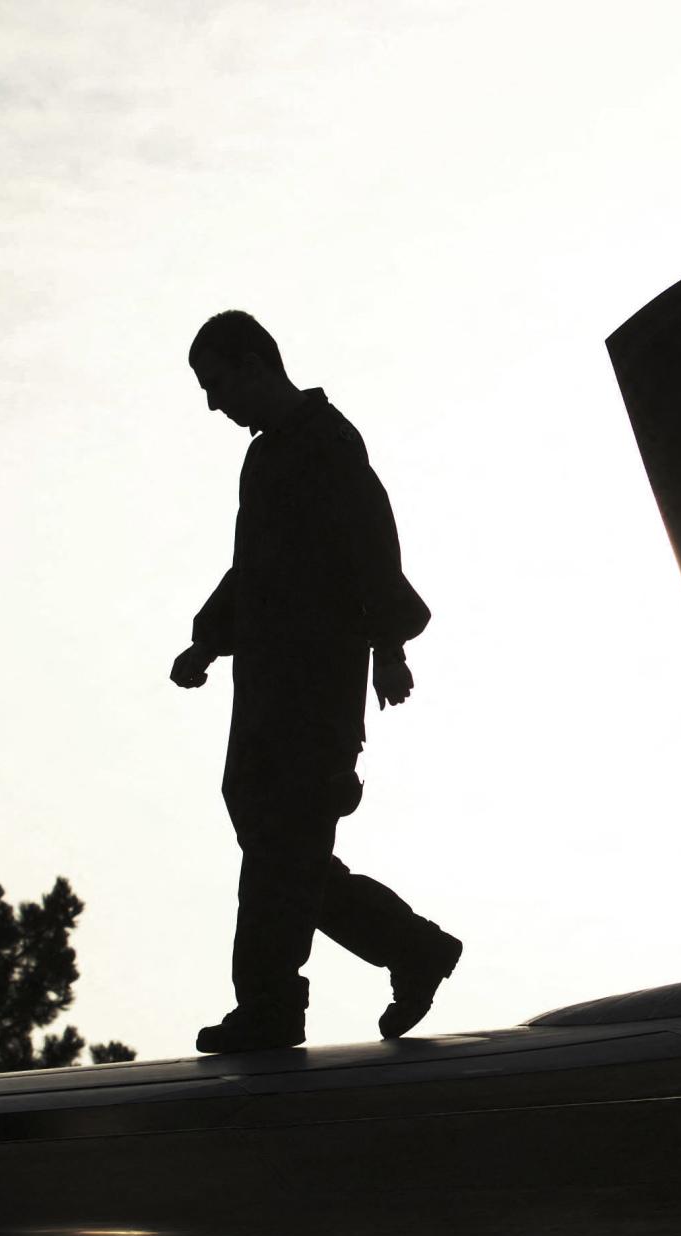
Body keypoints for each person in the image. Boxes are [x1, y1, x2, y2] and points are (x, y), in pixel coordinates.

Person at [172, 310, 461, 1052]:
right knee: (283, 849)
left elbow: (373, 551)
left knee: (282, 850)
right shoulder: (264, 461)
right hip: (266, 693)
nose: (213, 405)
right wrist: (209, 642)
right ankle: (412, 948)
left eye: (217, 383)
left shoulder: (330, 445)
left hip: (316, 697)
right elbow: (257, 570)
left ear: (252, 362)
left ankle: (270, 1004)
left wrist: (391, 649)